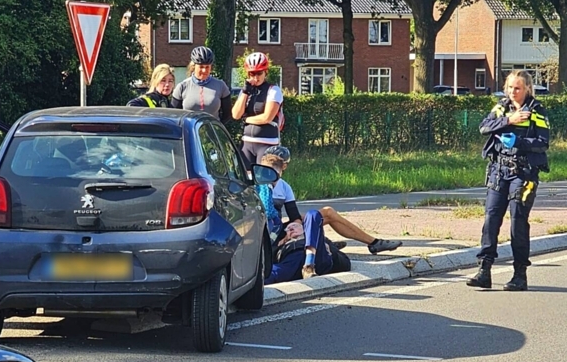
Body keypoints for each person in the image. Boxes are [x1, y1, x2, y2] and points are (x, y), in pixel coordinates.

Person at [467, 69, 550, 291]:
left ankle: (519, 275)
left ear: (527, 89)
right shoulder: (502, 107)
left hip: (523, 174)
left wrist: (519, 143)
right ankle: (484, 271)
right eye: (510, 87)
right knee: (491, 219)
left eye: (517, 88)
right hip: (498, 171)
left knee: (517, 223)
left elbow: (543, 142)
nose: (513, 92)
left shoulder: (536, 110)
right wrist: (508, 120)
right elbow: (484, 127)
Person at [261, 146, 402, 256]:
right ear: (284, 166)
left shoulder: (284, 187)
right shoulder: (256, 182)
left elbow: (294, 217)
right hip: (264, 232)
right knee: (324, 214)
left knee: (325, 213)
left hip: (277, 229)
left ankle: (371, 243)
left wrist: (305, 222)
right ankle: (370, 243)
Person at [231, 52, 282, 165]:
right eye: (252, 73)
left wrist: (246, 119)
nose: (255, 77)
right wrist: (245, 92)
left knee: (264, 179)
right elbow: (235, 114)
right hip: (247, 143)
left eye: (259, 73)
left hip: (267, 143)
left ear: (265, 72)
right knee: (246, 179)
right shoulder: (246, 90)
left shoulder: (273, 90)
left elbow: (267, 118)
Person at [170, 46, 232, 121]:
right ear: (194, 66)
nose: (204, 70)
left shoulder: (221, 86)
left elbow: (227, 114)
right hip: (188, 130)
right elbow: (174, 115)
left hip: (211, 130)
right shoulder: (182, 86)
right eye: (201, 67)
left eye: (207, 67)